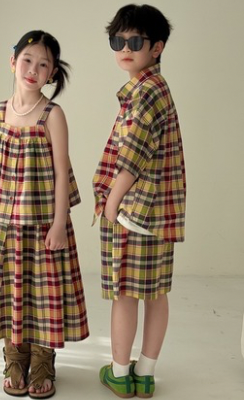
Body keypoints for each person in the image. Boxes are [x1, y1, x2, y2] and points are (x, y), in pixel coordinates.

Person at [0, 30, 89, 399]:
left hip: (43, 222)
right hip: (8, 222)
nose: (33, 69)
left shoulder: (52, 114)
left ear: (52, 73)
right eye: (27, 60)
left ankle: (43, 360)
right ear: (13, 62)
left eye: (43, 64)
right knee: (12, 291)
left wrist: (58, 224)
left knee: (44, 293)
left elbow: (60, 172)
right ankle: (15, 358)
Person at [92, 4, 186, 398]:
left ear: (157, 47)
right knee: (156, 293)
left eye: (135, 41)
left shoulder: (144, 93)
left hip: (133, 212)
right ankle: (144, 374)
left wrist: (111, 205)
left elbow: (132, 158)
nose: (125, 49)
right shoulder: (156, 88)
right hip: (159, 213)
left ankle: (119, 373)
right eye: (118, 41)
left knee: (126, 294)